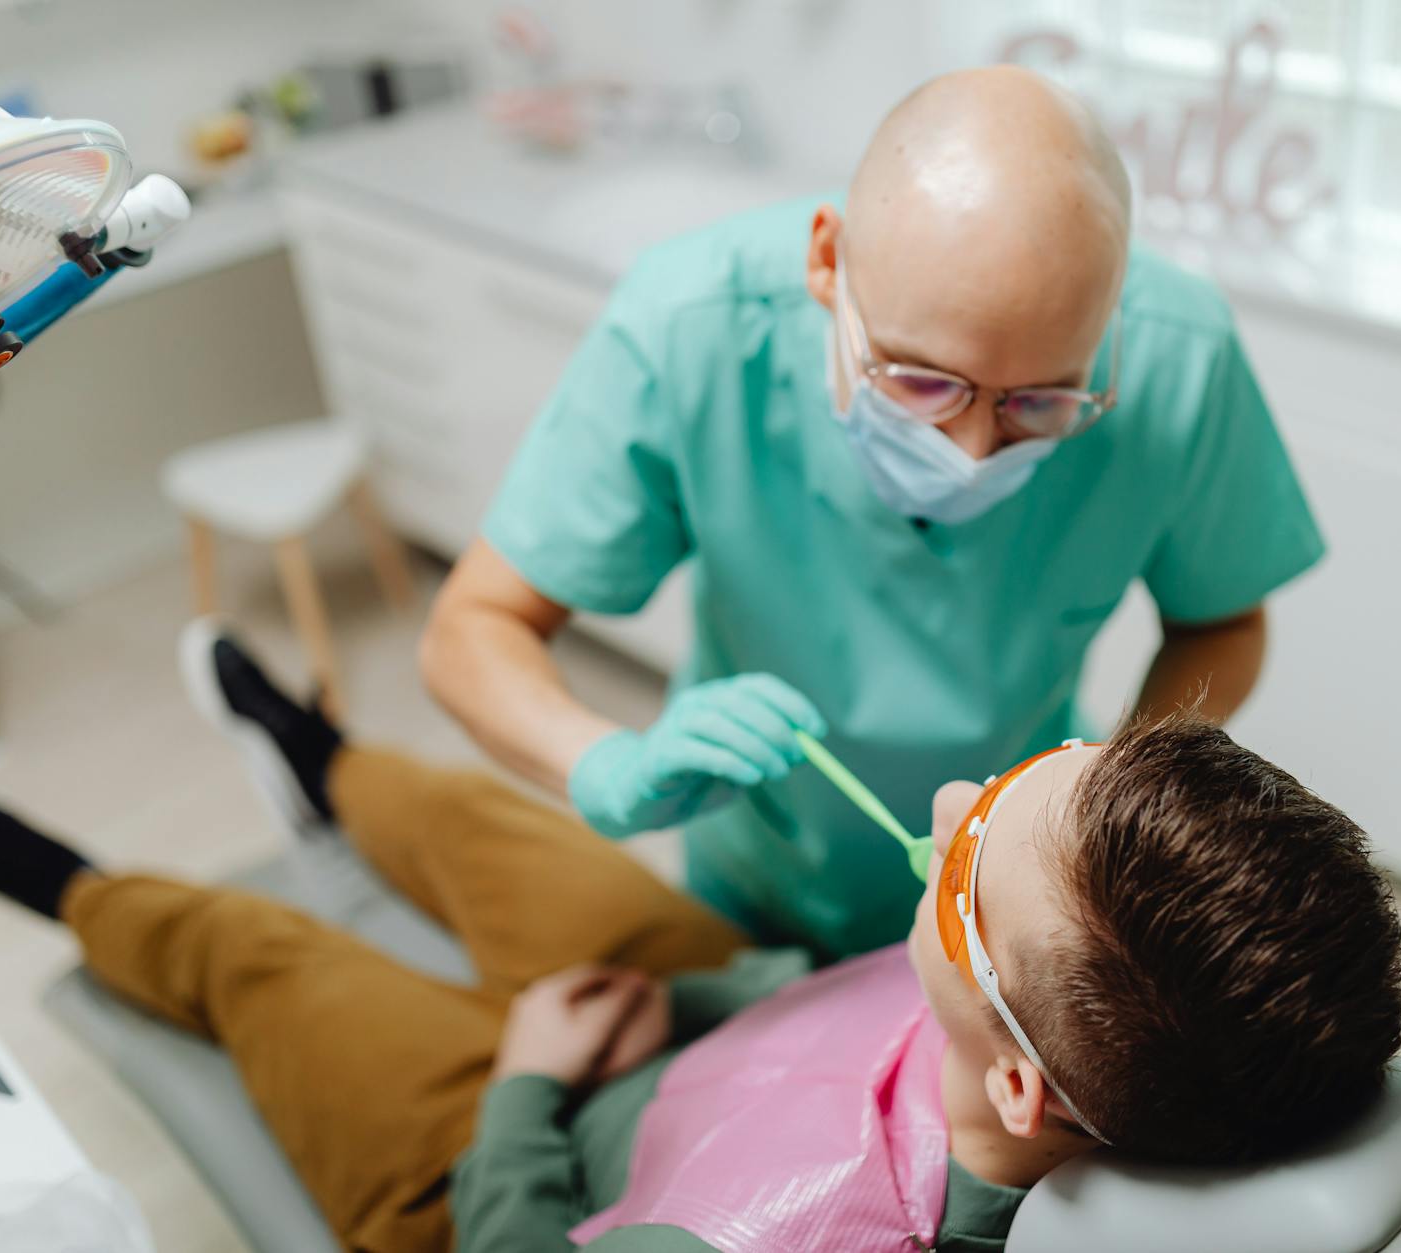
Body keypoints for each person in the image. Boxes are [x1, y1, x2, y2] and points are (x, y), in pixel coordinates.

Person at [0, 629, 1401, 1253]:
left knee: (267, 957)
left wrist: (525, 1086)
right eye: (1024, 776)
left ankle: (77, 893)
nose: (953, 800)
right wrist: (713, 994)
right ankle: (326, 763)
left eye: (967, 855)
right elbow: (873, 1021)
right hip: (717, 1024)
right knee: (491, 822)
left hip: (509, 1164)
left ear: (1021, 1086)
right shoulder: (1047, 1014)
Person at [421, 66, 1327, 961]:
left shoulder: (1180, 360)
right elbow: (474, 625)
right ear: (827, 261)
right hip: (760, 864)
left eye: (1040, 403)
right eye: (924, 382)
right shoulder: (690, 325)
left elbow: (1222, 623)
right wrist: (601, 765)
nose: (973, 452)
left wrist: (1107, 795)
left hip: (1011, 887)